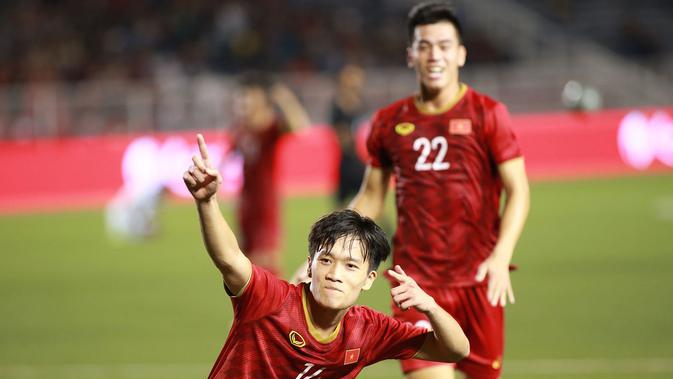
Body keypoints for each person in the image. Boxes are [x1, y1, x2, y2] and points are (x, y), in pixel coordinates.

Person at [183, 134, 469, 379]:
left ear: (369, 279)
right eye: (326, 260)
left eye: (351, 265)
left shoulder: (367, 330)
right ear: (310, 265)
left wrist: (430, 307)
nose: (335, 274)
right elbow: (230, 259)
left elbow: (455, 349)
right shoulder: (270, 301)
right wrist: (207, 202)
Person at [350, 2, 530, 378]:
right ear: (410, 55)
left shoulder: (488, 114)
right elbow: (371, 196)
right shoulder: (389, 121)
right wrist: (330, 241)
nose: (435, 55)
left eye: (445, 46)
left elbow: (518, 191)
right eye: (425, 45)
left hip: (478, 280)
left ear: (461, 54)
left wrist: (501, 256)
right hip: (416, 282)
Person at [230, 72, 311, 276]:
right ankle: (254, 308)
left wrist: (284, 98)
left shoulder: (270, 127)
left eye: (248, 97)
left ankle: (278, 307)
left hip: (266, 206)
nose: (244, 102)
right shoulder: (241, 130)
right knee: (245, 268)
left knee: (266, 266)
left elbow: (301, 127)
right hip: (246, 205)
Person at [329, 64, 367, 208]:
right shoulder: (338, 105)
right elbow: (340, 134)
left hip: (358, 161)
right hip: (348, 161)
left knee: (368, 203)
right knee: (341, 207)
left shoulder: (360, 102)